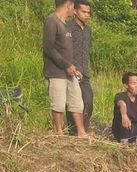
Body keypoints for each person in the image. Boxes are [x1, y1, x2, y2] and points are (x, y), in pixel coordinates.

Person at [43, 0, 86, 137]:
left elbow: (67, 51)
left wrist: (73, 67)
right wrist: (66, 65)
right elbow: (49, 48)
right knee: (58, 103)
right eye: (73, 6)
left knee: (77, 102)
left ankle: (81, 132)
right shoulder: (51, 21)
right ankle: (59, 132)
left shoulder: (66, 25)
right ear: (68, 5)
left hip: (69, 71)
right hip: (56, 72)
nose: (74, 9)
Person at [65, 0, 92, 135]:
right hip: (71, 71)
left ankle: (82, 131)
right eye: (84, 12)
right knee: (73, 103)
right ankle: (72, 131)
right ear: (75, 11)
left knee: (88, 101)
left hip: (85, 72)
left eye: (88, 12)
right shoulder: (68, 27)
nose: (87, 15)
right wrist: (70, 67)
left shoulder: (88, 30)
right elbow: (64, 50)